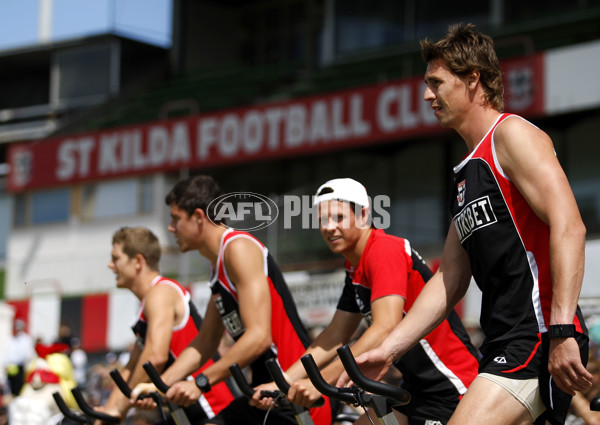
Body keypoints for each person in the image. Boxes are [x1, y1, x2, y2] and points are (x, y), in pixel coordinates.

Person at [338, 23, 592, 425]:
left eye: (436, 83)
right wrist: (389, 350)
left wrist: (561, 330)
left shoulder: (511, 135)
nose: (427, 95)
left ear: (473, 78)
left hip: (538, 335)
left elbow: (570, 225)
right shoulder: (466, 171)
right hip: (502, 339)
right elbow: (449, 279)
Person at [252, 178, 480, 425]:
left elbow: (385, 327)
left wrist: (321, 383)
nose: (328, 227)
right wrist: (283, 381)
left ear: (363, 214)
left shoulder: (383, 250)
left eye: (338, 218)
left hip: (452, 385)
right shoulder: (354, 266)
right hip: (416, 389)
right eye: (322, 220)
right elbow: (335, 335)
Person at [131, 175, 332, 425]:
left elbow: (259, 337)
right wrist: (161, 385)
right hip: (262, 392)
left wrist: (200, 382)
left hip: (295, 391)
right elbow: (206, 342)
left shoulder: (238, 249)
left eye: (175, 219)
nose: (171, 228)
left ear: (197, 217)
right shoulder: (218, 265)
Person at [95, 226, 235, 423]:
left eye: (116, 258)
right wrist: (106, 413)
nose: (110, 265)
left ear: (138, 261)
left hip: (214, 412)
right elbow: (131, 368)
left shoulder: (161, 292)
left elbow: (154, 358)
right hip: (189, 413)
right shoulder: (147, 305)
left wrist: (120, 407)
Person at [4, 318, 35, 397]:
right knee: (10, 387)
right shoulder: (11, 338)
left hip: (20, 367)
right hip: (10, 367)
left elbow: (26, 354)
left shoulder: (26, 339)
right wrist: (6, 364)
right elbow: (7, 352)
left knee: (18, 387)